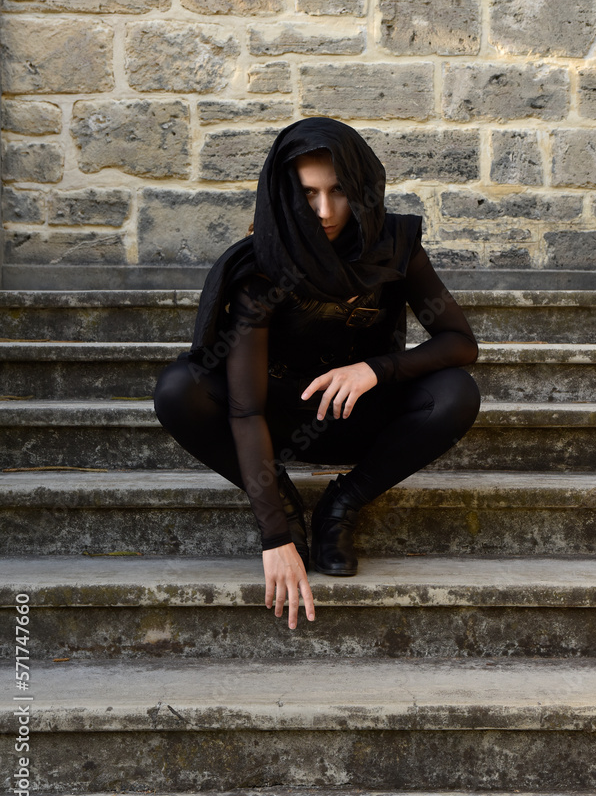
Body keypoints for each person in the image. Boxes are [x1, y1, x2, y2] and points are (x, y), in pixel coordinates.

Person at [154, 117, 480, 632]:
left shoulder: (395, 243)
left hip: (358, 414)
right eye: (308, 193)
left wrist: (375, 369)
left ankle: (341, 504)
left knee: (456, 392)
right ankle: (287, 499)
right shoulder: (261, 266)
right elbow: (245, 409)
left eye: (339, 191)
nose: (325, 211)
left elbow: (460, 342)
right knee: (178, 388)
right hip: (278, 420)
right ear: (286, 192)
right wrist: (276, 532)